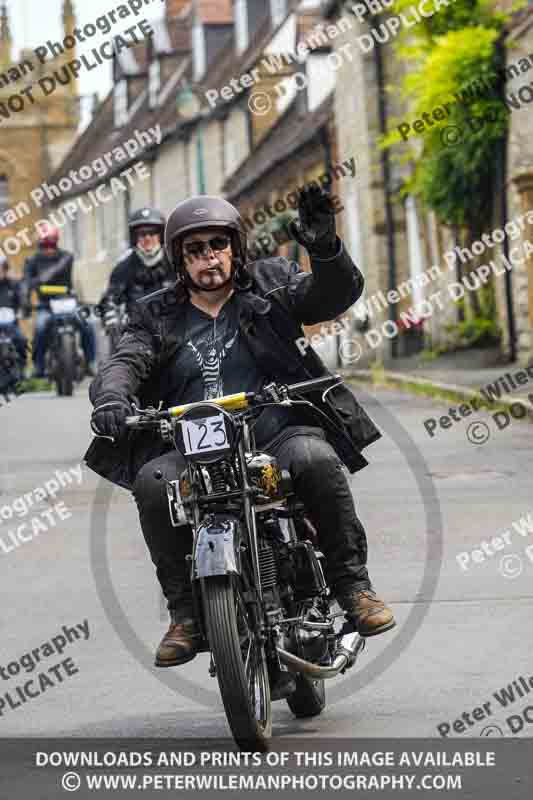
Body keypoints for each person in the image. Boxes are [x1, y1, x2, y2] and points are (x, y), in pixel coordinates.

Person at [85, 186, 395, 668]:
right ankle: (185, 615)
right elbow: (125, 361)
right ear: (179, 259)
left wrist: (325, 250)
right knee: (152, 482)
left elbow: (330, 296)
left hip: (275, 430)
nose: (208, 257)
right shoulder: (154, 312)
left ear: (234, 247)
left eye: (217, 245)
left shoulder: (271, 282)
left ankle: (354, 588)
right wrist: (111, 396)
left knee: (316, 460)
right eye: (195, 249)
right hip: (193, 445)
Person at [23, 223, 96, 378]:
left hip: (67, 302)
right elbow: (26, 284)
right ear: (39, 244)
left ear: (56, 243)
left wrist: (39, 280)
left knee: (87, 325)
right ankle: (38, 366)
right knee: (39, 328)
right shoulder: (31, 260)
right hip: (45, 305)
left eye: (52, 245)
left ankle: (90, 362)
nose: (49, 249)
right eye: (45, 245)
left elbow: (53, 273)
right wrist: (25, 302)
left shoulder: (66, 257)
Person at [100, 208, 171, 313]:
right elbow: (109, 303)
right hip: (137, 322)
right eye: (142, 233)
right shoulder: (123, 268)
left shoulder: (175, 263)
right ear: (135, 237)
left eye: (152, 232)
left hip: (174, 321)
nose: (147, 238)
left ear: (161, 235)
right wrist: (112, 319)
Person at [0, 255, 28, 366]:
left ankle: (22, 366)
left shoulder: (14, 284)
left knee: (22, 340)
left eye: (1, 268)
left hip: (11, 326)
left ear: (5, 268)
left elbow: (22, 299)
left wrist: (22, 310)